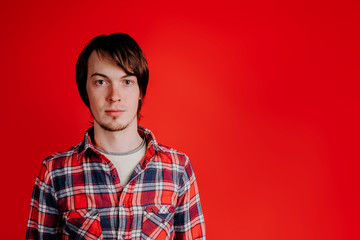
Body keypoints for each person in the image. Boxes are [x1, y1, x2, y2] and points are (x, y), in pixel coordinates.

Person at [26, 33, 205, 240]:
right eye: (101, 82)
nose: (114, 95)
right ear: (85, 89)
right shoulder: (54, 172)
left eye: (127, 82)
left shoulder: (178, 168)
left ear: (140, 90)